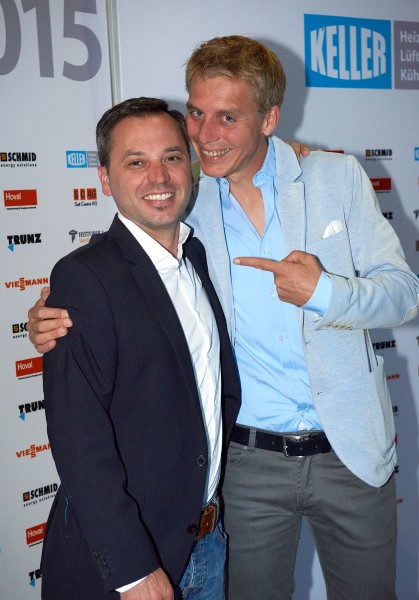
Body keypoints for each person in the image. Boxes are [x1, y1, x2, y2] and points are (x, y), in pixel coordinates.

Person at [28, 36, 419, 600]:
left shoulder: (334, 178)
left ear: (270, 119)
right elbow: (125, 257)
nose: (205, 135)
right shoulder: (188, 196)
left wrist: (326, 293)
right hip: (246, 466)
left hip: (351, 453)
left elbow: (404, 295)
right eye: (196, 113)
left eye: (228, 117)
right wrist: (56, 312)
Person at [39, 97, 241, 600]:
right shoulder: (84, 277)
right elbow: (79, 441)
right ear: (105, 179)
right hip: (133, 564)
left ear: (190, 167)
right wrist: (133, 571)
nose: (159, 177)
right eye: (136, 162)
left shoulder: (198, 256)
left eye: (172, 157)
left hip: (207, 543)